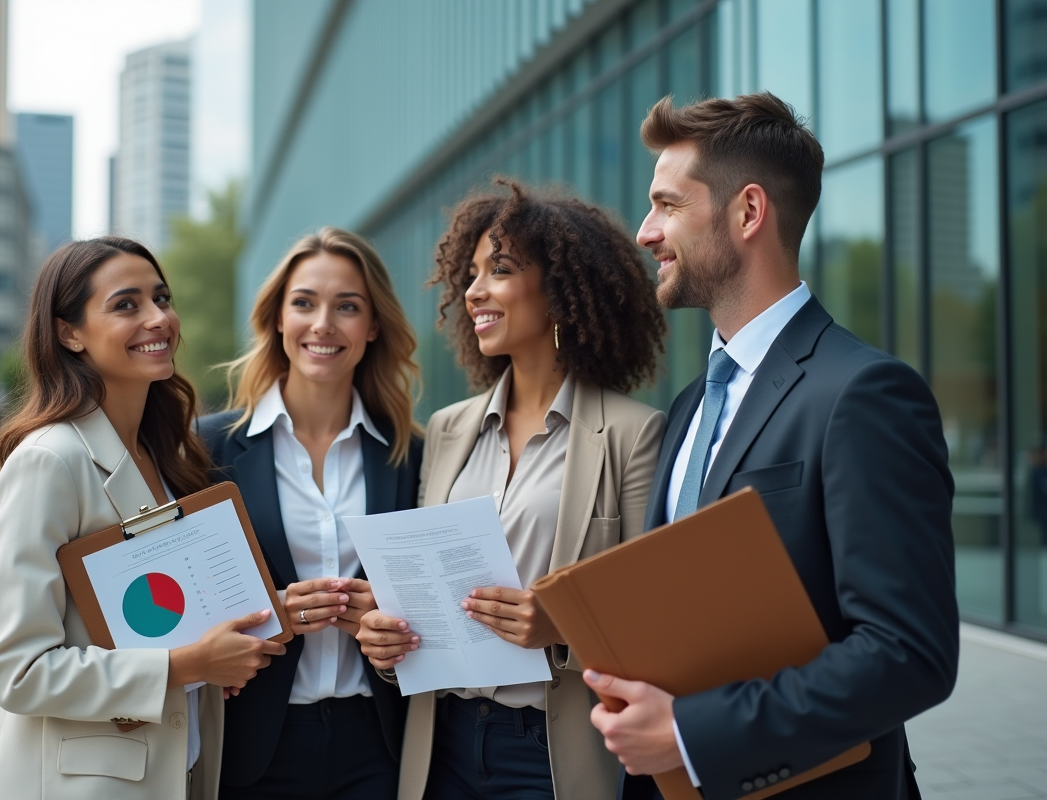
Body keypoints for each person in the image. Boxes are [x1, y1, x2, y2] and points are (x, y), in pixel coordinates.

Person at [587, 92, 958, 800]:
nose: (644, 232)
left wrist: (694, 732)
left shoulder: (866, 394)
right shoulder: (691, 405)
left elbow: (908, 655)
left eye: (667, 205)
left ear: (749, 212)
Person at [356, 179, 669, 800]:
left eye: (499, 270)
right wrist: (387, 642)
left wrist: (560, 627)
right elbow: (427, 595)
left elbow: (651, 621)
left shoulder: (633, 435)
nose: (474, 292)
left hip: (551, 750)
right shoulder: (447, 429)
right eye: (470, 274)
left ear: (557, 290)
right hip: (442, 742)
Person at [0, 237, 285, 800]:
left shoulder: (166, 456)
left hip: (174, 773)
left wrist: (268, 613)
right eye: (126, 304)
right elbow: (19, 671)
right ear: (70, 332)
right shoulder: (51, 460)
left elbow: (161, 615)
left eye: (161, 298)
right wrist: (188, 665)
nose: (158, 318)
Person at [197, 228, 422, 800]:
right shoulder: (208, 449)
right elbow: (180, 602)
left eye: (347, 306)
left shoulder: (412, 452)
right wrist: (269, 614)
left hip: (378, 744)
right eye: (304, 303)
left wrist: (390, 612)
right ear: (277, 318)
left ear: (372, 327)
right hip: (253, 748)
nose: (323, 324)